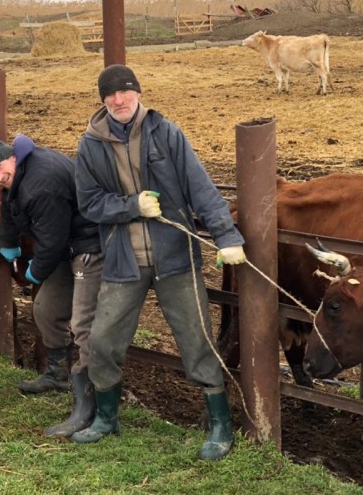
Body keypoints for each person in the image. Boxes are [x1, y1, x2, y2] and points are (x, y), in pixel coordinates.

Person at [72, 64, 246, 460]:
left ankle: (219, 423)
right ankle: (106, 416)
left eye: (126, 92)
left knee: (196, 338)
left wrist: (227, 236)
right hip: (122, 259)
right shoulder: (89, 145)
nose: (119, 100)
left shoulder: (166, 133)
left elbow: (199, 186)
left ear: (138, 93)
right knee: (103, 339)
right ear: (102, 99)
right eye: (110, 94)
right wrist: (131, 206)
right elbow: (89, 203)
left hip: (175, 258)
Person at [0, 134, 103, 437]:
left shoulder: (41, 181)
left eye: (1, 167)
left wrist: (37, 271)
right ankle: (57, 374)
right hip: (66, 248)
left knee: (84, 324)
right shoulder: (18, 175)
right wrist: (8, 242)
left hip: (89, 246)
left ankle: (90, 402)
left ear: (11, 157)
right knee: (45, 309)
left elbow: (53, 239)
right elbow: (9, 208)